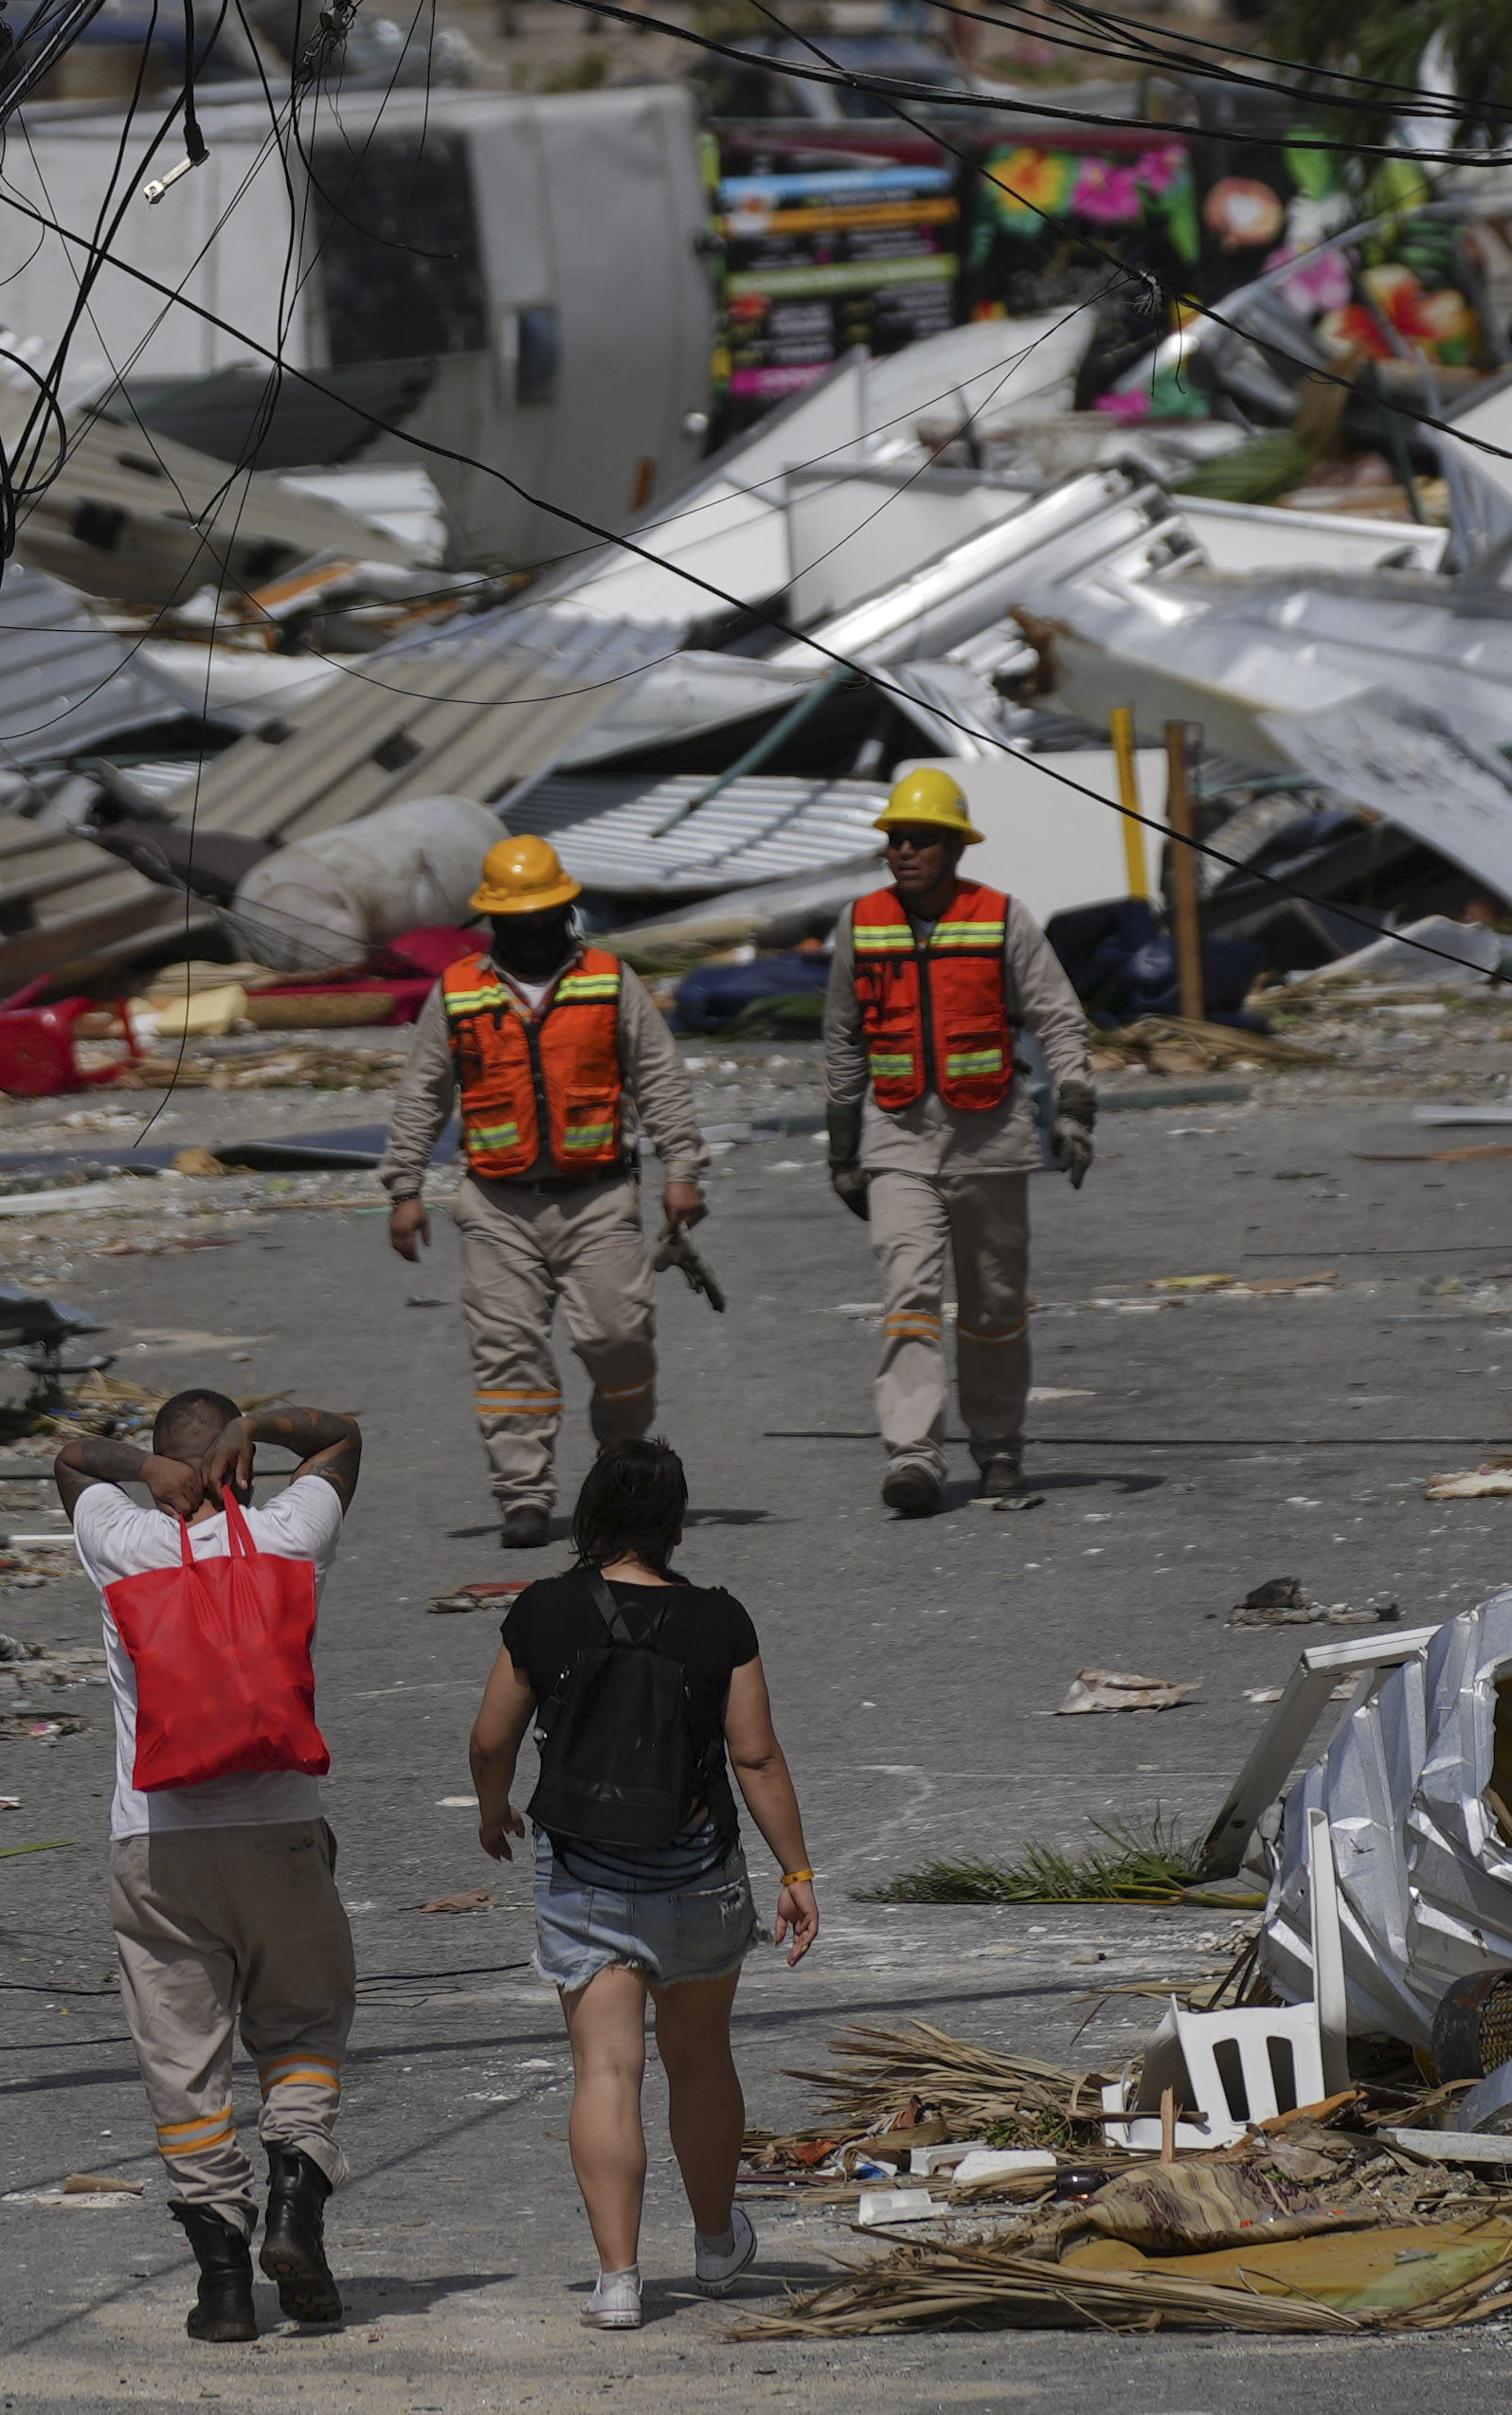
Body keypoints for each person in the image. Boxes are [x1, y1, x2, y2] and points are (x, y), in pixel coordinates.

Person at [468, 1435, 819, 2326]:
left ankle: (619, 2282)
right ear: (675, 1524)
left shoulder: (543, 1610)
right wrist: (797, 1870)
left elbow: (489, 1737)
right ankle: (712, 2246)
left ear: (589, 1513)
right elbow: (756, 1754)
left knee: (607, 2071)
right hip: (698, 1870)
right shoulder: (719, 1619)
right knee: (699, 2062)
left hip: (584, 1869)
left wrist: (493, 1807)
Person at [56, 1388, 369, 2342]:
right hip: (281, 1827)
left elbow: (71, 1457)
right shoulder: (286, 1534)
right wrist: (260, 1423)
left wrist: (138, 1470)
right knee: (306, 2021)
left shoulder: (121, 1538)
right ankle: (293, 2198)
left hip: (156, 1841)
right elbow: (345, 1435)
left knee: (182, 2059)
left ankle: (225, 2287)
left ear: (159, 1467)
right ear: (242, 1464)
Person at [385, 831, 708, 1547]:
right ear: (494, 919)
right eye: (515, 917)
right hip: (497, 1205)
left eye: (542, 914)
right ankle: (524, 1496)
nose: (531, 929)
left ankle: (619, 1467)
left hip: (596, 1198)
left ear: (564, 911)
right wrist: (404, 1187)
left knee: (621, 1339)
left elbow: (659, 1078)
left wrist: (681, 1170)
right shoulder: (459, 991)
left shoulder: (608, 980)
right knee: (507, 1353)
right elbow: (422, 1094)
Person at [819, 761, 1093, 1516]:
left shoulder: (1004, 918)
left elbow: (1058, 1017)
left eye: (920, 839)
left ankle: (1000, 1449)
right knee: (907, 1295)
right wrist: (842, 1142)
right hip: (897, 1138)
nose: (903, 851)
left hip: (991, 1138)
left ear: (955, 849)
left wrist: (1073, 1107)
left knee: (994, 1306)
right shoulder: (860, 922)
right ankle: (914, 1458)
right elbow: (843, 1036)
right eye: (895, 839)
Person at [224, 794, 503, 993]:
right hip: (457, 834)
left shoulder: (266, 889)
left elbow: (344, 950)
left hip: (456, 839)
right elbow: (344, 950)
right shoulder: (278, 888)